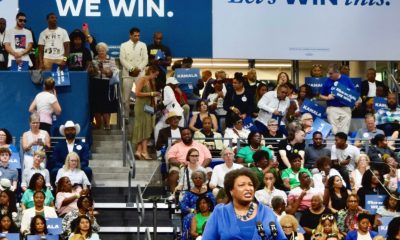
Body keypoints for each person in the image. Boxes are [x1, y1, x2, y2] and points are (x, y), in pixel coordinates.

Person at [202, 168, 286, 239]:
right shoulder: (220, 213)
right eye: (242, 185)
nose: (248, 188)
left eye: (250, 185)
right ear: (231, 191)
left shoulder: (266, 212)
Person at [167, 128, 212, 193]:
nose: (186, 136)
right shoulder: (176, 146)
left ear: (192, 135)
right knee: (173, 172)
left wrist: (201, 167)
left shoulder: (200, 145)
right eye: (184, 134)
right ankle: (174, 195)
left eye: (188, 134)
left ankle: (206, 195)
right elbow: (171, 158)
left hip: (200, 166)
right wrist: (181, 165)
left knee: (209, 172)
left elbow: (208, 157)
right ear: (181, 136)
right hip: (181, 167)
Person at [319, 64, 358, 134]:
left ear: (337, 72)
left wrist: (355, 101)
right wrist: (327, 98)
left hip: (345, 108)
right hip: (332, 108)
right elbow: (320, 96)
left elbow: (353, 93)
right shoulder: (327, 81)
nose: (329, 75)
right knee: (335, 131)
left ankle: (342, 141)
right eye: (328, 73)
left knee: (344, 131)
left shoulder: (346, 79)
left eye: (331, 73)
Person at [88, 42, 118, 130]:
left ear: (106, 51)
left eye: (103, 51)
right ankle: (98, 124)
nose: (101, 52)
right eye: (99, 51)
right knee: (96, 105)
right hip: (96, 83)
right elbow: (90, 73)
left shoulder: (111, 59)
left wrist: (105, 71)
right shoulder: (94, 60)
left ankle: (107, 124)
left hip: (107, 84)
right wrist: (92, 70)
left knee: (106, 105)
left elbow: (114, 72)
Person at [132, 65, 160, 160]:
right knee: (141, 126)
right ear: (151, 71)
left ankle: (139, 151)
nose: (155, 77)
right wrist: (152, 93)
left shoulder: (151, 81)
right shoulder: (142, 79)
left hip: (148, 106)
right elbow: (137, 93)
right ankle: (144, 151)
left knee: (146, 127)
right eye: (155, 75)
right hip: (141, 106)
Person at [119, 27, 148, 117]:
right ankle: (126, 116)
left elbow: (145, 59)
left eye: (138, 35)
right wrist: (131, 69)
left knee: (141, 95)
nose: (137, 37)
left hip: (140, 73)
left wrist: (138, 69)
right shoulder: (124, 45)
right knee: (125, 97)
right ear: (130, 35)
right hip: (128, 74)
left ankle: (140, 114)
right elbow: (122, 59)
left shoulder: (143, 45)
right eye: (135, 36)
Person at [179, 171, 215, 240]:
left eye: (200, 178)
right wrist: (191, 210)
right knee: (190, 217)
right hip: (193, 212)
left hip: (208, 213)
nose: (198, 179)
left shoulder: (209, 194)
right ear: (192, 180)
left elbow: (214, 205)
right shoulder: (188, 193)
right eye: (195, 178)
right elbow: (183, 205)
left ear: (203, 180)